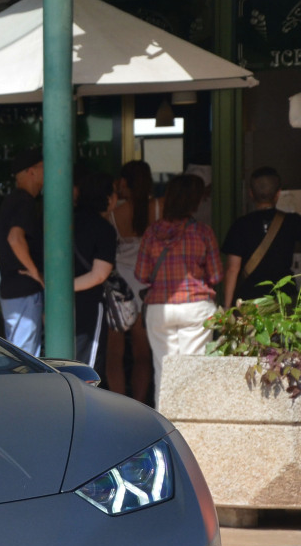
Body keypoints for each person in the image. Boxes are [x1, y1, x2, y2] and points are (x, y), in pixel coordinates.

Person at [135, 174, 224, 395]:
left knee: (163, 373)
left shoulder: (151, 233)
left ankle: (165, 426)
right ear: (194, 201)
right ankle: (190, 426)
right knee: (193, 372)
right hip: (195, 307)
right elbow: (216, 276)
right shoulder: (203, 232)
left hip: (159, 308)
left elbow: (141, 274)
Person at [105, 160, 160, 402]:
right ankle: (139, 405)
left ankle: (119, 405)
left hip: (120, 289)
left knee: (114, 353)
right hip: (147, 285)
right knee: (143, 353)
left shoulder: (114, 214)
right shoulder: (159, 208)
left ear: (124, 183)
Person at [222, 166, 301, 304]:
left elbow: (232, 269)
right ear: (278, 193)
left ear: (251, 194)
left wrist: (227, 306)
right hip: (284, 297)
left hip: (250, 299)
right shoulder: (293, 221)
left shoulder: (240, 225)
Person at [0, 147, 45, 356]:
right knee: (25, 359)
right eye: (43, 168)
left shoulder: (15, 200)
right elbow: (15, 238)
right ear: (31, 171)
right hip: (22, 290)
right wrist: (35, 272)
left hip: (14, 289)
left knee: (20, 354)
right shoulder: (24, 200)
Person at [71, 171, 118, 369]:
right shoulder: (103, 229)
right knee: (86, 368)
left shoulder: (62, 222)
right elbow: (99, 274)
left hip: (53, 304)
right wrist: (66, 287)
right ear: (107, 198)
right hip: (89, 304)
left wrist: (55, 289)